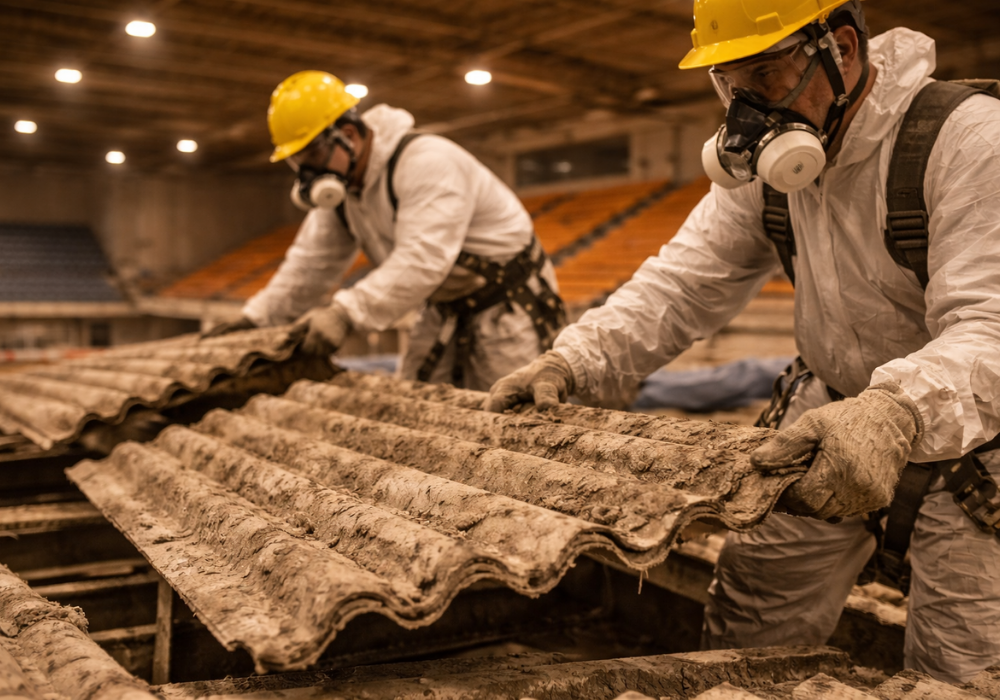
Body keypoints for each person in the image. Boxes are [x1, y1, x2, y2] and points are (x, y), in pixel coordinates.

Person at [486, 0, 1000, 685]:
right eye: (729, 85)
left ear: (843, 50)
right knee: (749, 621)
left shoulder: (969, 140)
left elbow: (991, 327)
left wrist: (897, 410)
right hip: (827, 417)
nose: (747, 110)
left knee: (961, 671)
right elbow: (681, 284)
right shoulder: (771, 168)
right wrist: (573, 359)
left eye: (765, 76)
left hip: (975, 446)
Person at [207, 71, 565, 391]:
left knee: (511, 412)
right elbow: (309, 265)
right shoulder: (345, 191)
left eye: (312, 157)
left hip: (508, 309)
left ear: (348, 136)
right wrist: (256, 319)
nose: (307, 175)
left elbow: (422, 259)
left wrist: (345, 313)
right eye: (297, 162)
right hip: (444, 307)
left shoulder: (427, 162)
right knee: (421, 403)